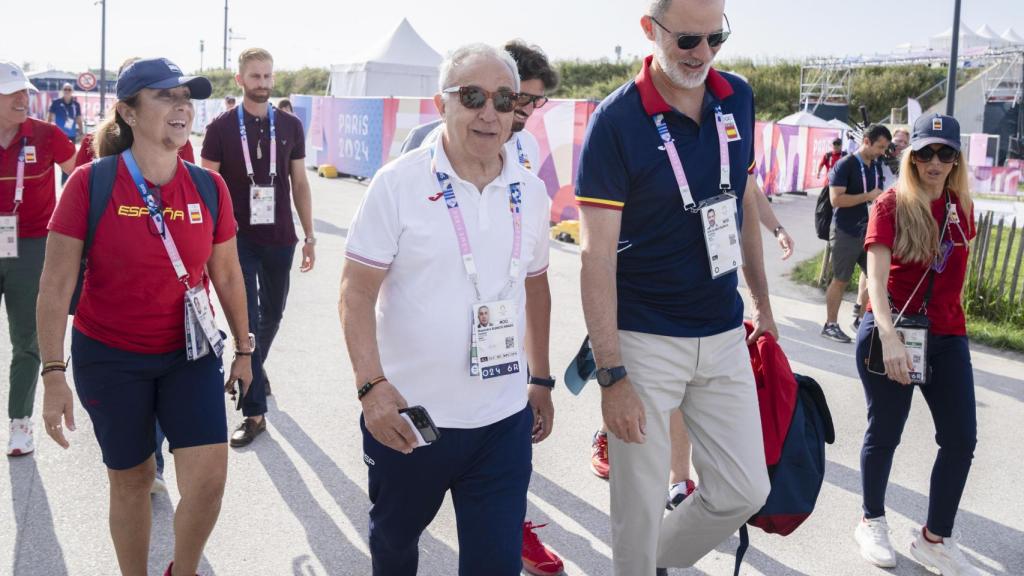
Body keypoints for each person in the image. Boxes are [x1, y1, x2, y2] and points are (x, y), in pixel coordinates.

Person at [576, 0, 775, 573]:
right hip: (642, 339)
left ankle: (641, 561)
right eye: (688, 40)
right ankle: (636, 559)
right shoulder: (615, 122)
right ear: (650, 30)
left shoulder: (737, 95)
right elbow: (595, 257)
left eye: (717, 38)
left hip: (721, 329)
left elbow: (739, 204)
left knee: (743, 491)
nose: (704, 54)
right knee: (638, 508)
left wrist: (762, 304)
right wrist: (611, 373)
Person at [341, 43, 554, 576]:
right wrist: (371, 388)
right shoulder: (398, 183)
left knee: (495, 564)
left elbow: (537, 287)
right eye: (472, 96)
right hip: (412, 421)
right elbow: (356, 291)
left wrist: (543, 380)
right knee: (394, 545)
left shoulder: (530, 191)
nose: (490, 112)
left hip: (502, 422)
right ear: (443, 104)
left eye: (504, 99)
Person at [36, 57, 252, 576]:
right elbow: (55, 283)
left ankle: (185, 569)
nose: (182, 107)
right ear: (128, 113)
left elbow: (226, 275)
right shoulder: (90, 183)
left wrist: (245, 350)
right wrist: (53, 373)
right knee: (131, 479)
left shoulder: (208, 188)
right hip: (110, 357)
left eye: (186, 97)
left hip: (190, 354)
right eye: (164, 96)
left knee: (208, 481)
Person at [853, 113, 980, 575]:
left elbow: (954, 281)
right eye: (925, 151)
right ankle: (871, 519)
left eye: (945, 153)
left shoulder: (961, 208)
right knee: (885, 432)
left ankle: (934, 538)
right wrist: (887, 337)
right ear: (912, 155)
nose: (934, 161)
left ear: (956, 159)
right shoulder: (890, 204)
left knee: (961, 438)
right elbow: (876, 282)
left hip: (946, 335)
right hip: (893, 331)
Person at [202, 47, 314, 447]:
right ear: (240, 80)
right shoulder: (220, 128)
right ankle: (253, 412)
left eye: (268, 76)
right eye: (255, 77)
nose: (263, 84)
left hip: (281, 237)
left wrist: (310, 235)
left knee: (274, 313)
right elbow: (206, 188)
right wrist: (205, 242)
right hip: (236, 240)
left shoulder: (289, 125)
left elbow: (299, 182)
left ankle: (252, 363)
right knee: (246, 319)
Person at [0, 61, 76, 456]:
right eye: (11, 92)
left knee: (27, 339)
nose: (21, 98)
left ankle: (20, 424)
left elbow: (81, 175)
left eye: (23, 91)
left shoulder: (46, 136)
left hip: (31, 248)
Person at [821, 124, 891, 343]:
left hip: (869, 231)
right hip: (846, 231)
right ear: (867, 141)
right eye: (880, 146)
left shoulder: (876, 165)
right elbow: (836, 200)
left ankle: (861, 321)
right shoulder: (845, 164)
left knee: (876, 278)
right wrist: (867, 196)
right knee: (841, 279)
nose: (882, 152)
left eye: (885, 148)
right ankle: (830, 324)